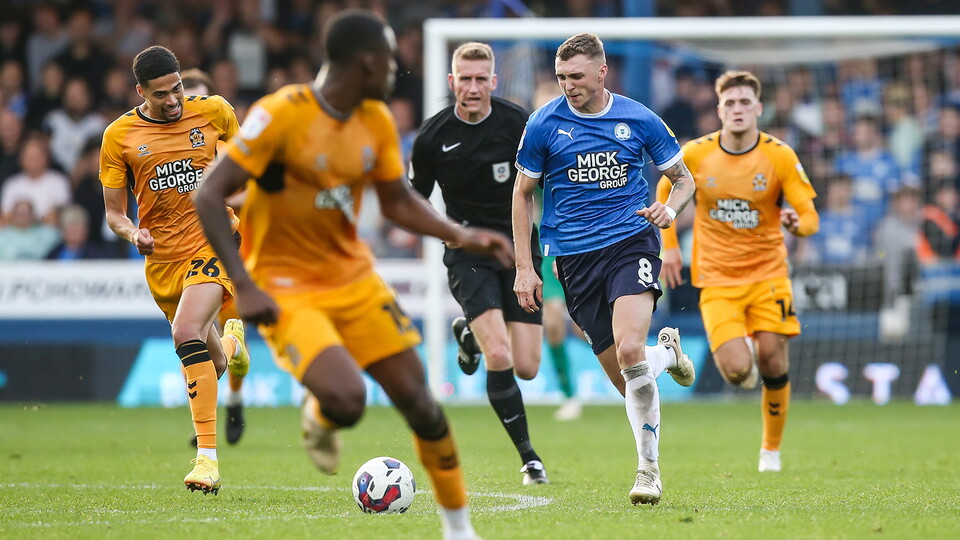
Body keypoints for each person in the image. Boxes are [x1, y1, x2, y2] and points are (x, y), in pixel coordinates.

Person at [195, 10, 509, 540]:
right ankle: (321, 414)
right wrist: (243, 285)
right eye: (389, 58)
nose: (396, 67)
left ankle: (459, 531)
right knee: (348, 401)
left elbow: (396, 203)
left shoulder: (375, 120)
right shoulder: (281, 115)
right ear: (366, 61)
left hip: (354, 279)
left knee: (422, 404)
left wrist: (463, 234)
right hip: (286, 287)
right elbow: (208, 193)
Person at [512, 33, 697, 506]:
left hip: (630, 242)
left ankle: (648, 471)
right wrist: (525, 268)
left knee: (632, 347)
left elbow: (682, 179)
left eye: (576, 76)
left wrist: (670, 211)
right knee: (628, 376)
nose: (568, 85)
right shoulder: (543, 124)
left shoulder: (638, 118)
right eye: (561, 77)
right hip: (573, 259)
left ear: (601, 71)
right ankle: (669, 355)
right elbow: (521, 193)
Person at [99, 45, 250, 494]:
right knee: (214, 361)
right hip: (162, 260)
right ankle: (232, 345)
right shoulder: (119, 136)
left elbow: (244, 174)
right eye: (161, 93)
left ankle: (207, 460)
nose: (173, 100)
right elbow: (113, 213)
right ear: (140, 91)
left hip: (214, 240)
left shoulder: (216, 113)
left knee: (184, 331)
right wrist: (133, 234)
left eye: (178, 88)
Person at [656, 70, 819, 473]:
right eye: (730, 103)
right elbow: (664, 190)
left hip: (768, 277)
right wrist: (671, 249)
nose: (738, 109)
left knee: (774, 362)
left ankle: (770, 450)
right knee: (736, 371)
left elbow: (809, 212)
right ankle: (741, 349)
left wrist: (801, 225)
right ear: (719, 110)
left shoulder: (779, 155)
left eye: (745, 102)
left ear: (759, 108)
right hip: (717, 281)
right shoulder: (695, 154)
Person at [409, 41, 548, 485]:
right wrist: (452, 236)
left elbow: (543, 184)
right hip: (467, 252)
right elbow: (416, 201)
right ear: (452, 83)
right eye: (463, 79)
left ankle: (468, 335)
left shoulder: (517, 124)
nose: (471, 88)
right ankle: (530, 459)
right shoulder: (432, 137)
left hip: (521, 247)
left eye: (479, 79)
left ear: (493, 81)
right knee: (501, 354)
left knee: (527, 365)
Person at [181, 67, 247, 447]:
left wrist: (212, 195)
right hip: (182, 252)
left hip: (226, 244)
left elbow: (246, 185)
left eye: (196, 94)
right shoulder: (164, 141)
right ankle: (202, 418)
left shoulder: (219, 136)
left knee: (224, 321)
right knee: (195, 334)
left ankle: (233, 402)